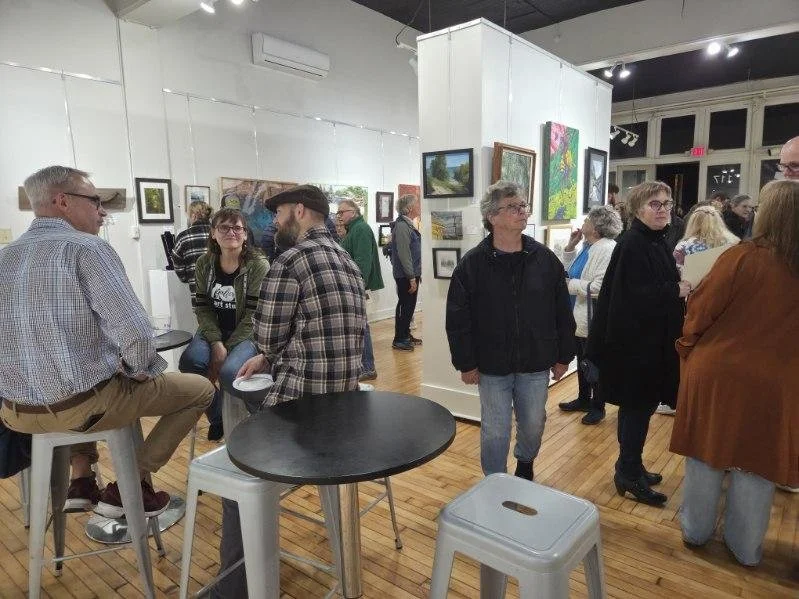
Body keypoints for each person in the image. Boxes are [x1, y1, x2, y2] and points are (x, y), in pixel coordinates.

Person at [0, 166, 213, 518]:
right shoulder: (87, 248)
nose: (102, 212)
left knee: (85, 379)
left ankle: (82, 479)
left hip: (16, 414)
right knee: (200, 389)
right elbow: (137, 334)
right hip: (82, 408)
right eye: (95, 201)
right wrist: (137, 368)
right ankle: (133, 483)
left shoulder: (5, 256)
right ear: (62, 201)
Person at [214, 186, 366, 598]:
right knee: (250, 386)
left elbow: (267, 336)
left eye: (279, 214)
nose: (275, 223)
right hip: (344, 406)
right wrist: (269, 357)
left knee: (233, 469)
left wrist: (266, 354)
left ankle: (233, 588)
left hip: (303, 412)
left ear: (299, 211)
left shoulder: (291, 260)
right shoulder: (347, 261)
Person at [670, 179, 799, 566]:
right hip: (778, 379)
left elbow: (702, 311)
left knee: (705, 453)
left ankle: (696, 530)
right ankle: (746, 548)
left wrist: (686, 345)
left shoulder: (741, 257)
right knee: (757, 462)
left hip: (719, 370)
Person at [446, 181, 575, 480]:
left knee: (533, 424)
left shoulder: (545, 259)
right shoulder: (472, 265)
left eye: (523, 206)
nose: (522, 212)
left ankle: (525, 464)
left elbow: (561, 311)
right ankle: (494, 480)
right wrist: (466, 363)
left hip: (536, 361)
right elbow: (458, 319)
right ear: (492, 216)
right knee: (495, 429)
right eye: (513, 207)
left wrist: (564, 356)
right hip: (492, 365)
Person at [585, 180, 691, 506]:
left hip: (647, 345)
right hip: (635, 348)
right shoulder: (633, 243)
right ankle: (628, 473)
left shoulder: (653, 240)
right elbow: (630, 297)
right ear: (638, 209)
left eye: (667, 203)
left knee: (640, 409)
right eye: (655, 204)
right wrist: (674, 290)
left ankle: (630, 466)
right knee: (636, 409)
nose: (663, 210)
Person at [178, 208, 268, 442]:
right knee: (190, 363)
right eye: (224, 227)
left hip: (247, 332)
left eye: (237, 227)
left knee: (231, 372)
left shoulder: (258, 265)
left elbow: (254, 314)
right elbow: (202, 308)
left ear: (245, 234)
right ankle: (218, 417)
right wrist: (217, 343)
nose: (231, 232)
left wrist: (227, 348)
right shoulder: (204, 263)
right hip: (213, 330)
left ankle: (264, 423)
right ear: (213, 233)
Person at [557, 205, 622, 425]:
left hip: (593, 316)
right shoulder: (589, 246)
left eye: (586, 221)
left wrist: (569, 284)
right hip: (578, 313)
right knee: (582, 360)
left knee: (593, 363)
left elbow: (599, 287)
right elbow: (569, 271)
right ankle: (584, 399)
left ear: (595, 227)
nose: (582, 223)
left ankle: (598, 406)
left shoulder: (606, 249)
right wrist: (570, 246)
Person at [336, 199, 384, 381]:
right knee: (359, 326)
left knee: (361, 326)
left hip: (355, 287)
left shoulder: (361, 229)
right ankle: (362, 366)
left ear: (354, 212)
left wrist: (357, 287)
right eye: (338, 213)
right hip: (351, 287)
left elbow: (363, 263)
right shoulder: (353, 230)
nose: (339, 216)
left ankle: (367, 366)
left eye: (342, 212)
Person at [390, 194, 422, 351]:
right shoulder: (402, 226)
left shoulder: (407, 224)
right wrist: (411, 277)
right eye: (417, 204)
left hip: (410, 274)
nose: (419, 206)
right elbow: (404, 254)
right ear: (409, 208)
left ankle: (405, 334)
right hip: (405, 276)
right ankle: (400, 339)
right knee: (405, 305)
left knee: (409, 306)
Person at [261, 211, 341, 261]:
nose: (275, 220)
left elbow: (267, 237)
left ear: (300, 210)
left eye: (279, 212)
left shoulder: (285, 262)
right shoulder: (343, 255)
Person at [171, 200, 212, 293]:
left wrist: (187, 277)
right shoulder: (219, 233)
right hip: (222, 290)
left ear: (193, 215)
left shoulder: (183, 237)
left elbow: (177, 262)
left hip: (197, 290)